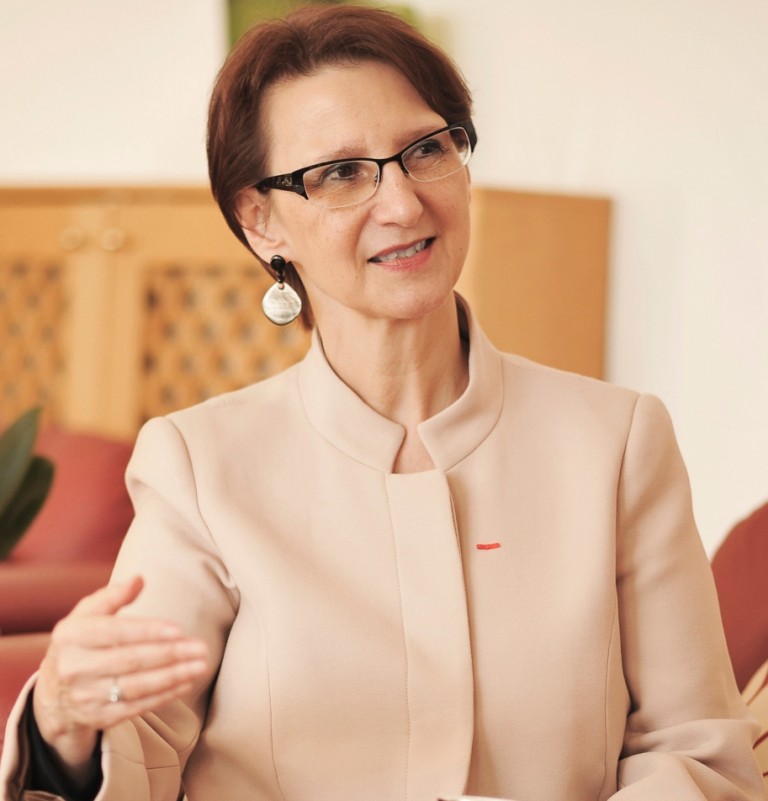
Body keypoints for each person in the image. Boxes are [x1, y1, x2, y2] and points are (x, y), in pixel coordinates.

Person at [0, 5, 764, 801]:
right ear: (260, 221)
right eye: (339, 173)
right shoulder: (200, 464)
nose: (402, 203)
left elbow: (699, 754)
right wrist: (62, 718)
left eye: (426, 149)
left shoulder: (616, 441)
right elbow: (136, 746)